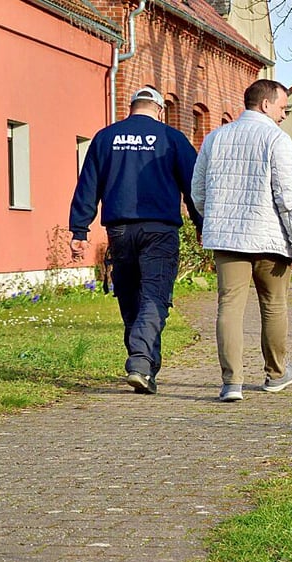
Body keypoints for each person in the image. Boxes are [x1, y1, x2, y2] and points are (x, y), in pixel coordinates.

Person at [69, 86, 202, 395]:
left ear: (131, 108)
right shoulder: (171, 138)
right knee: (155, 296)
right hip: (159, 230)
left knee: (130, 298)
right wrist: (201, 223)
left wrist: (79, 229)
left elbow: (88, 184)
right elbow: (195, 186)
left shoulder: (106, 137)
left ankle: (144, 369)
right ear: (160, 110)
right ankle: (141, 362)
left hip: (119, 231)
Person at [191, 79, 292, 402]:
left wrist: (216, 216)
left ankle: (232, 383)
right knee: (273, 305)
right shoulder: (277, 139)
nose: (284, 115)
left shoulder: (215, 138)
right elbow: (287, 196)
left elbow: (198, 191)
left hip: (227, 239)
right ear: (265, 104)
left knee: (229, 306)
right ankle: (275, 374)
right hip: (270, 239)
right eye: (282, 108)